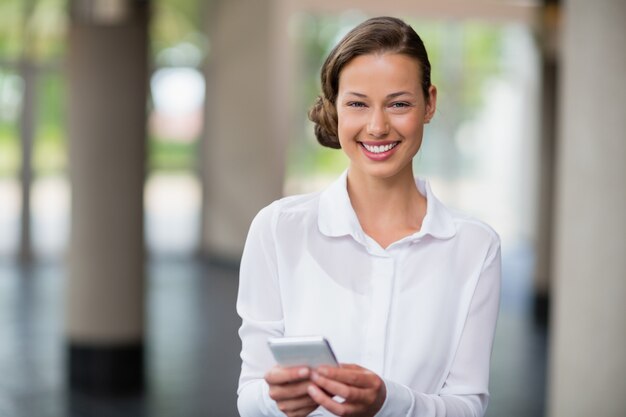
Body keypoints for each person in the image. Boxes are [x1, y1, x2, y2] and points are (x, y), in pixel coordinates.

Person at [236, 16, 501, 417]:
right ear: (335, 108)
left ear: (429, 103)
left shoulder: (475, 246)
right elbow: (250, 395)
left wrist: (387, 403)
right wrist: (277, 401)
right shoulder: (277, 230)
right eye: (357, 103)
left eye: (399, 104)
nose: (377, 127)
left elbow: (468, 406)